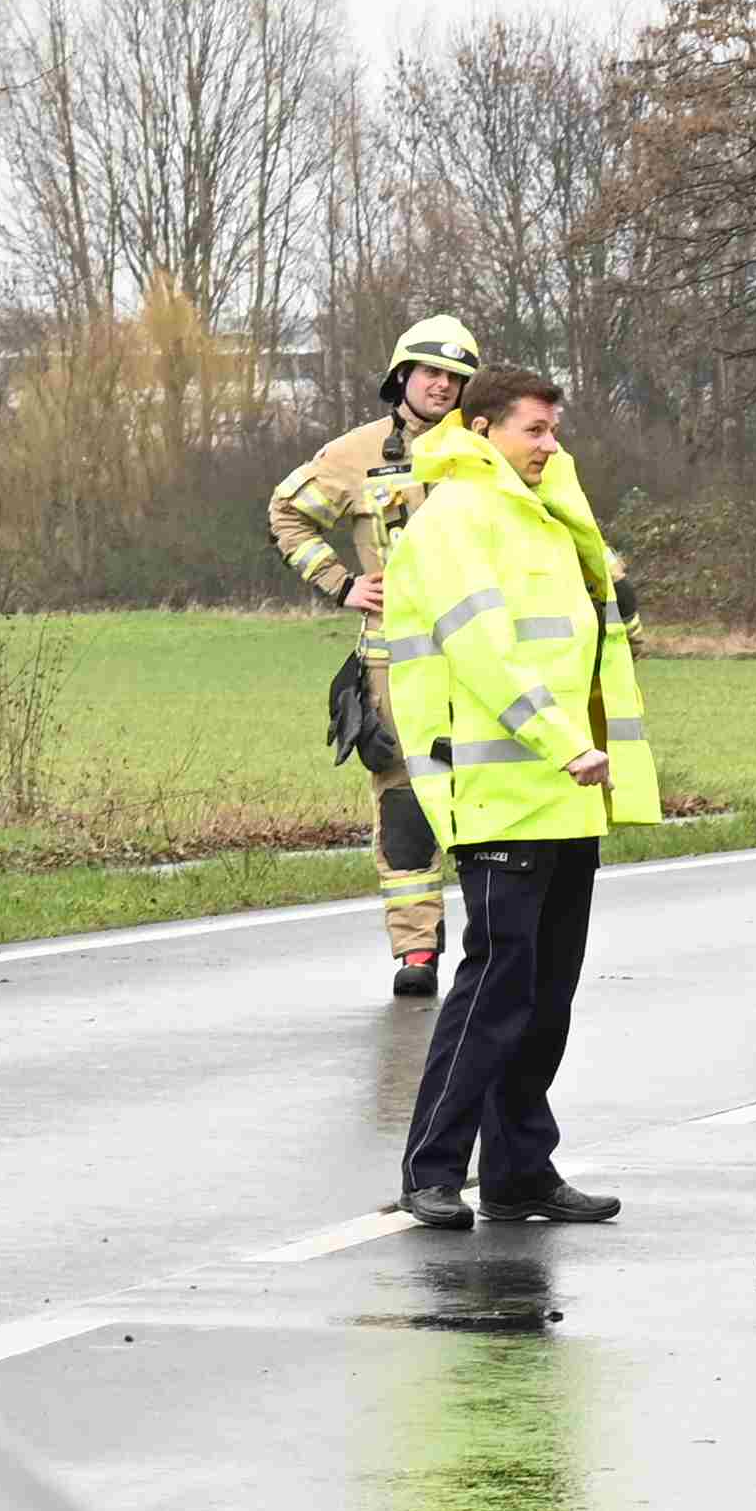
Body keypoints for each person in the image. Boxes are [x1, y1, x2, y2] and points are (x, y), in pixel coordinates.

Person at [374, 370, 651, 1234]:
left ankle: (521, 1171)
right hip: (503, 791)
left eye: (554, 429)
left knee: (547, 999)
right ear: (483, 427)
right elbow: (486, 655)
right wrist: (563, 744)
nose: (551, 444)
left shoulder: (542, 513)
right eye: (536, 429)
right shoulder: (454, 518)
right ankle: (432, 1169)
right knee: (493, 993)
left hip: (566, 797)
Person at [266, 312, 485, 1002]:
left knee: (485, 794)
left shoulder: (488, 449)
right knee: (405, 802)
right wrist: (340, 583)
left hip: (484, 657)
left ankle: (494, 939)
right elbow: (286, 512)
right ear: (401, 377)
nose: (442, 386)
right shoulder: (355, 453)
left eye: (456, 377)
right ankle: (416, 947)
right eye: (431, 373)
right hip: (394, 663)